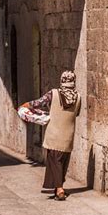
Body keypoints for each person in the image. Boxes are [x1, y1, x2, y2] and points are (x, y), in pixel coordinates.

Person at [22, 70, 81, 201]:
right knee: (62, 162)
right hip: (68, 135)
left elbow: (39, 102)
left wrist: (26, 106)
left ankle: (59, 189)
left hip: (54, 134)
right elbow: (76, 113)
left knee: (54, 162)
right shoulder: (78, 97)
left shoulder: (54, 94)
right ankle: (57, 188)